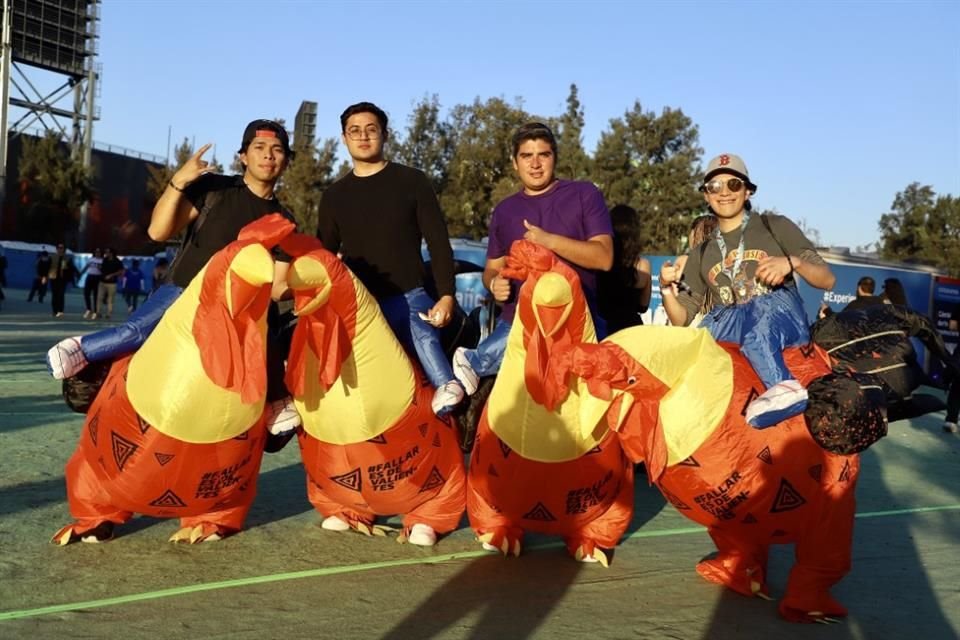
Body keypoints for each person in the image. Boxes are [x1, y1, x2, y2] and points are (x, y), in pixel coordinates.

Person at [46, 119, 301, 434]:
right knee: (138, 332)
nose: (268, 156)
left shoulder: (285, 221)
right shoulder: (213, 189)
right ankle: (83, 348)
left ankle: (276, 401)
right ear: (243, 156)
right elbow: (158, 231)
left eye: (277, 150)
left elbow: (276, 288)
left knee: (267, 340)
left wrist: (311, 287)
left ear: (286, 161)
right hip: (184, 290)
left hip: (240, 310)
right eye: (259, 148)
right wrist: (178, 182)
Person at [659, 153, 835, 428]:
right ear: (706, 195)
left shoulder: (774, 226)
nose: (724, 193)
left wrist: (792, 262)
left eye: (733, 184)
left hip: (777, 311)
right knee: (699, 343)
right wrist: (667, 289)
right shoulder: (702, 252)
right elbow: (681, 319)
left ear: (748, 190)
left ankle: (784, 387)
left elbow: (827, 280)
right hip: (731, 318)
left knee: (757, 323)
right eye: (715, 187)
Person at [317, 101, 463, 416]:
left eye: (371, 129)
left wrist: (447, 296)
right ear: (344, 138)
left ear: (385, 134)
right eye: (354, 131)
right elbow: (323, 257)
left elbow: (438, 242)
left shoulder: (412, 181)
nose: (363, 137)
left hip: (410, 297)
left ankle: (450, 391)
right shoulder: (334, 196)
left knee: (428, 349)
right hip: (361, 306)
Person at [451, 122, 614, 396]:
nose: (535, 164)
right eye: (527, 156)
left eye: (544, 155)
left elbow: (604, 258)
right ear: (515, 163)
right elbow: (492, 269)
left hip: (578, 320)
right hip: (516, 323)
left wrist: (548, 241)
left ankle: (474, 362)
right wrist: (494, 284)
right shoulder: (504, 210)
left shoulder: (584, 194)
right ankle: (470, 368)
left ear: (555, 158)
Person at [597, 204, 651, 333]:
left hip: (603, 329)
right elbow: (643, 306)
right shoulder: (642, 265)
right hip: (631, 331)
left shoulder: (601, 261)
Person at [48, 243, 76, 318]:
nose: (60, 249)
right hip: (53, 277)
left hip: (63, 279)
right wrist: (44, 276)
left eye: (62, 248)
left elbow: (72, 268)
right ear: (56, 249)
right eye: (59, 248)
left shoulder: (67, 258)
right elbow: (47, 267)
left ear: (64, 249)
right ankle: (54, 311)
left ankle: (60, 311)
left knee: (61, 295)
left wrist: (72, 276)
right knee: (54, 295)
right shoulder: (52, 257)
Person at [96, 248, 124, 320]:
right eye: (106, 252)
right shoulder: (105, 259)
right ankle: (98, 312)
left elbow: (121, 271)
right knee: (99, 298)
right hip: (102, 281)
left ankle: (109, 314)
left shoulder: (117, 261)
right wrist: (99, 268)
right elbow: (102, 269)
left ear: (111, 253)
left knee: (110, 299)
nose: (106, 253)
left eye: (107, 252)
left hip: (112, 283)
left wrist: (111, 275)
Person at [79, 248, 103, 319]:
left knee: (96, 295)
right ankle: (88, 309)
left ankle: (96, 311)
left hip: (98, 277)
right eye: (96, 252)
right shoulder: (91, 259)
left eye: (98, 252)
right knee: (86, 293)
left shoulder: (102, 260)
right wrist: (81, 273)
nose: (97, 253)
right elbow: (86, 267)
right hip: (90, 277)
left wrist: (100, 268)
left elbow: (104, 270)